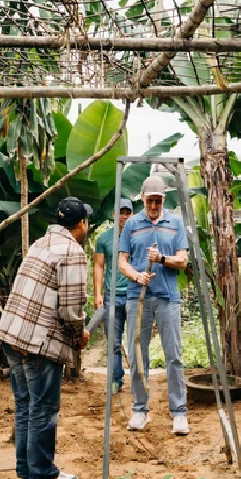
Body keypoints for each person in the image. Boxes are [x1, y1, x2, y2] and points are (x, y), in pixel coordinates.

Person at [0, 197, 92, 479]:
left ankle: (25, 471)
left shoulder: (40, 243)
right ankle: (42, 475)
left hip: (12, 334)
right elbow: (71, 309)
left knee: (26, 404)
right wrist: (80, 335)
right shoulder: (72, 252)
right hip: (38, 341)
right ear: (81, 224)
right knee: (44, 408)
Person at [118, 175, 190, 436]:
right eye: (150, 200)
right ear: (142, 197)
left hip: (168, 297)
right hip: (137, 297)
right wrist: (136, 275)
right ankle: (140, 409)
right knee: (138, 356)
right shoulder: (132, 225)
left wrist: (161, 259)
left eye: (158, 200)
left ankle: (179, 412)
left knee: (174, 356)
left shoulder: (176, 223)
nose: (154, 205)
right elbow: (122, 261)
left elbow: (182, 261)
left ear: (163, 199)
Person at [94, 198, 133, 392]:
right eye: (121, 212)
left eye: (128, 212)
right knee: (114, 343)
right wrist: (97, 294)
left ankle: (139, 380)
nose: (124, 216)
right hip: (112, 296)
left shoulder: (137, 236)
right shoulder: (104, 239)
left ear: (132, 214)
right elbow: (99, 266)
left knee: (137, 341)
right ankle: (116, 379)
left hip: (134, 295)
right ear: (114, 214)